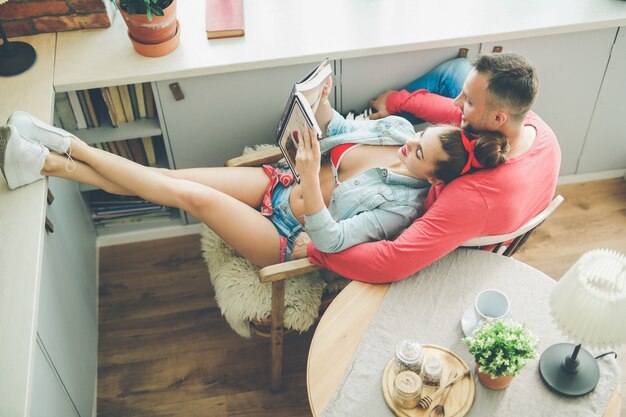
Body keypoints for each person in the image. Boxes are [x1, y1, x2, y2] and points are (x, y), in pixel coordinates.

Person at [0, 78, 507, 268]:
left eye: (416, 156)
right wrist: (324, 110)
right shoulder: (396, 130)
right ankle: (43, 161)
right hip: (279, 186)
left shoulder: (401, 208)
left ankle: (65, 144)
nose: (406, 149)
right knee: (177, 176)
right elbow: (345, 128)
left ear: (434, 180)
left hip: (284, 236)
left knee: (188, 196)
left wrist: (311, 179)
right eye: (416, 139)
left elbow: (332, 243)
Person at [295, 52, 561, 282]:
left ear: (498, 118)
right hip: (503, 209)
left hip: (462, 253)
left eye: (468, 100)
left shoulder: (473, 196)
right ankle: (371, 118)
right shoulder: (535, 128)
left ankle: (360, 125)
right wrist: (397, 101)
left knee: (443, 84)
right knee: (455, 69)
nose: (457, 103)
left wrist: (317, 252)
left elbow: (392, 262)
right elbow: (454, 113)